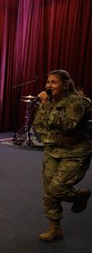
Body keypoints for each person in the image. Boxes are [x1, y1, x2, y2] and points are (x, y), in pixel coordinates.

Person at [33, 69, 91, 242]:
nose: (49, 85)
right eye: (48, 82)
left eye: (54, 82)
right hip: (53, 150)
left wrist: (47, 107)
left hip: (76, 152)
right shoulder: (48, 103)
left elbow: (68, 126)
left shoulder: (77, 102)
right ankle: (55, 229)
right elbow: (38, 125)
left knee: (57, 189)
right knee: (49, 193)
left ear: (65, 84)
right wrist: (54, 137)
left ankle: (80, 195)